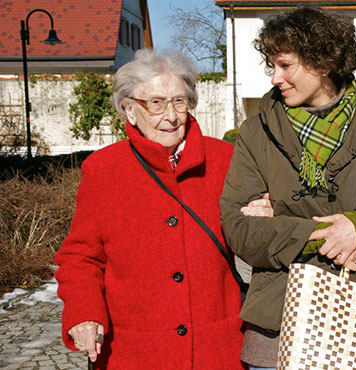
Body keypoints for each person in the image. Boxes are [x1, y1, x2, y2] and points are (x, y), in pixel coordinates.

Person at [219, 6, 356, 370]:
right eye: (272, 66)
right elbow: (240, 228)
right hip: (277, 323)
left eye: (285, 65)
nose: (275, 78)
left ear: (323, 62)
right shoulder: (255, 133)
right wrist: (328, 234)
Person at [55, 50, 244, 369]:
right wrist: (84, 311)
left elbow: (255, 237)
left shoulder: (225, 160)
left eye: (179, 102)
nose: (170, 115)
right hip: (136, 352)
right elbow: (80, 256)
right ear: (130, 109)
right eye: (156, 103)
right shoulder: (103, 170)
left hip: (217, 349)